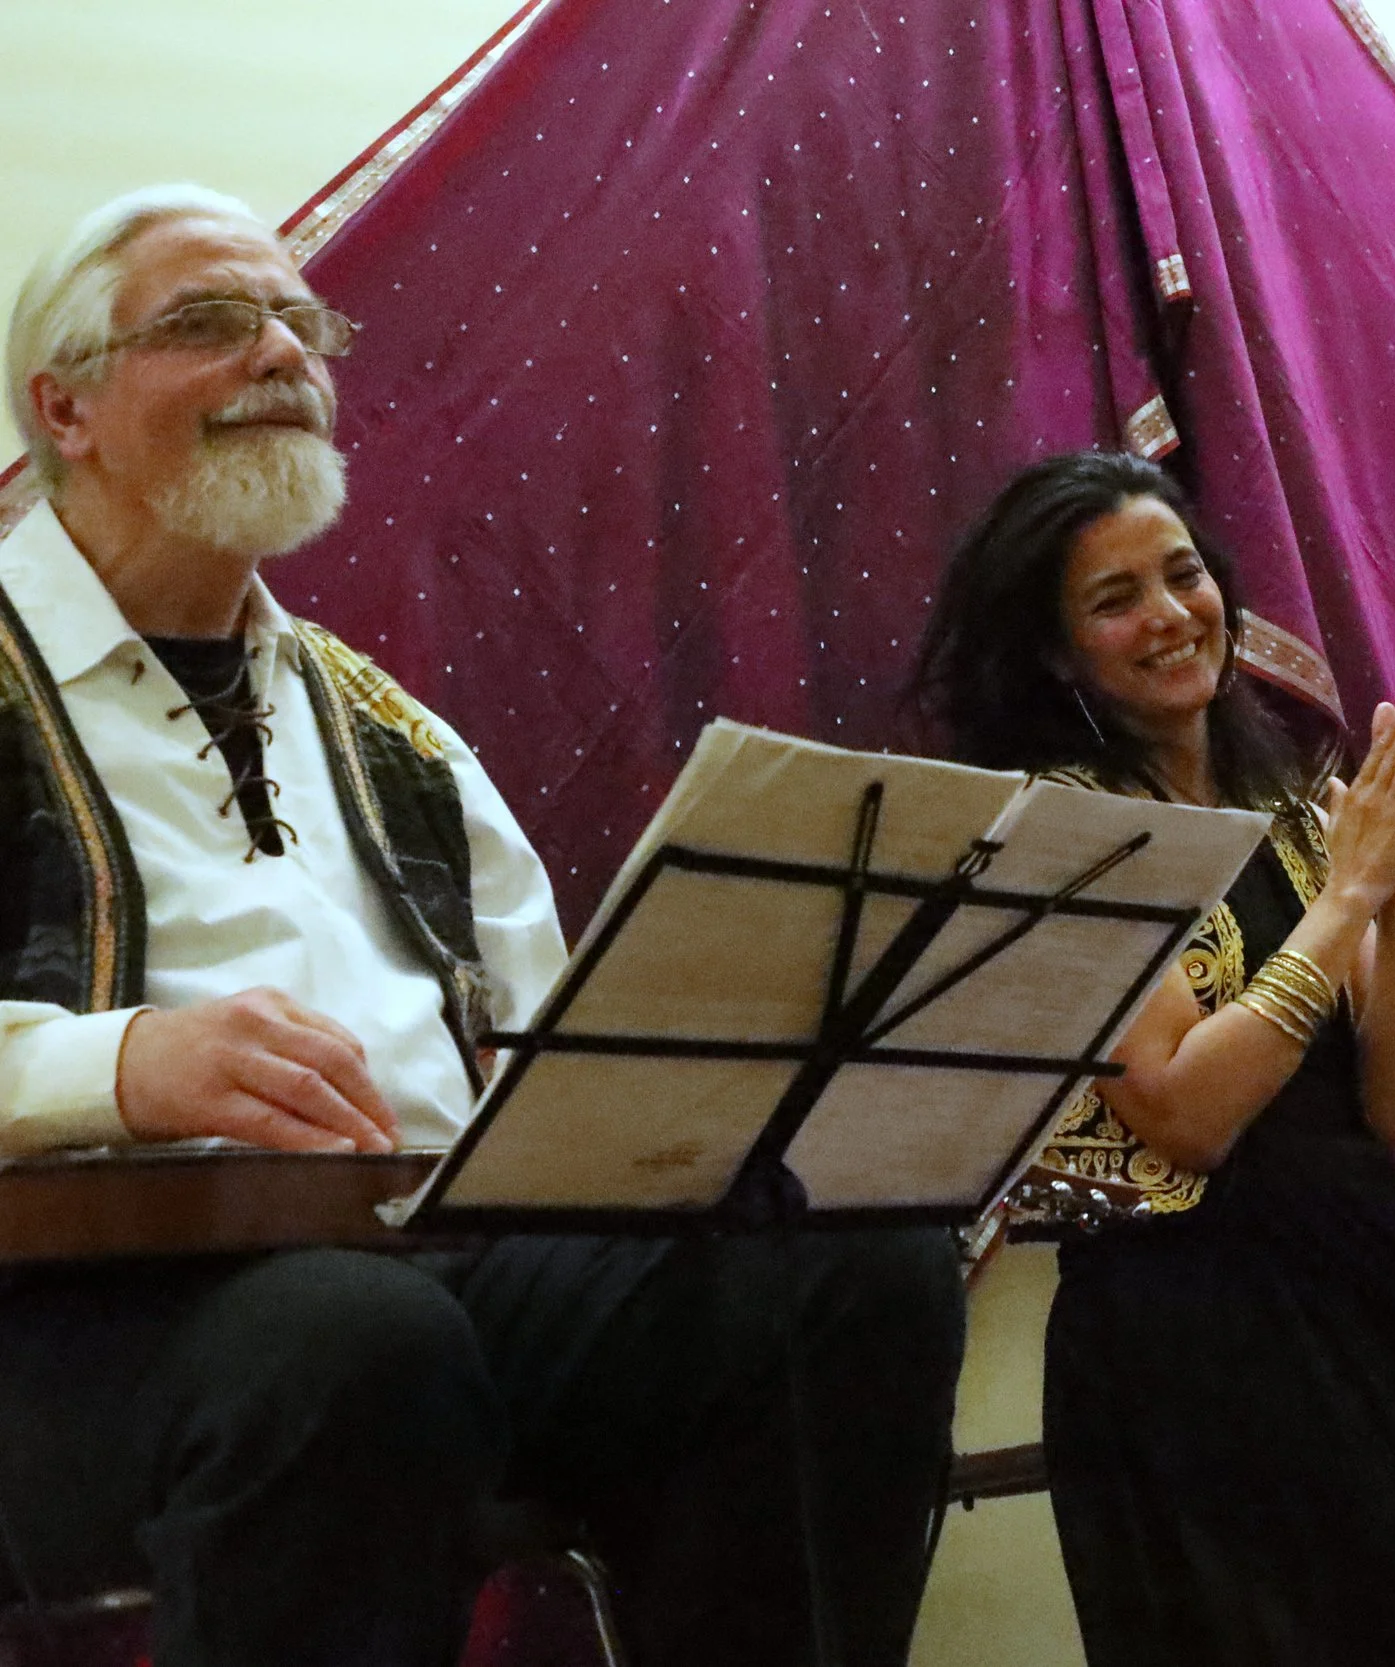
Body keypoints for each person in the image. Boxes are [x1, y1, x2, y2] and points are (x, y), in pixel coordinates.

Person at [0, 184, 966, 1667]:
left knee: (846, 1271)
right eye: (211, 321)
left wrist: (781, 1135)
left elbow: (548, 1048)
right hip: (75, 1308)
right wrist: (123, 1067)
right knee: (358, 1344)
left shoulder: (390, 727)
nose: (281, 353)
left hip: (429, 1279)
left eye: (302, 324)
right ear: (63, 407)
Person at [915, 450, 1395, 1667]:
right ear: (1052, 650)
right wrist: (1349, 895)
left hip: (1368, 1274)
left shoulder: (1288, 793)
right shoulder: (1055, 826)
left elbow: (1393, 1105)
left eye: (1184, 573)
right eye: (1114, 597)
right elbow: (1185, 1115)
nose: (1171, 614)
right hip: (1199, 1329)